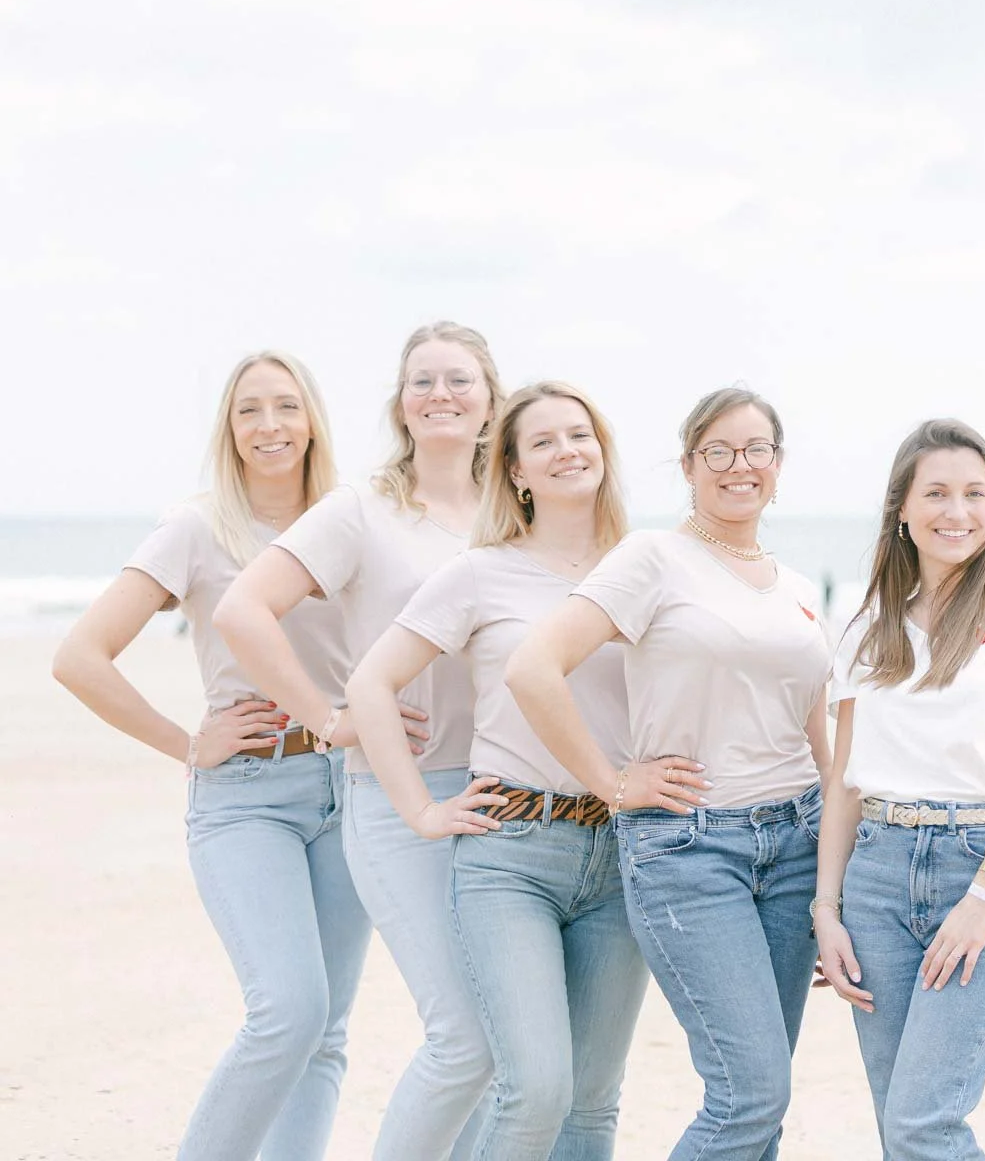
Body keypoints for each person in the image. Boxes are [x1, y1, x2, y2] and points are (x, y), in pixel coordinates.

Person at [53, 351, 370, 1161]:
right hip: (248, 794)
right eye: (249, 411)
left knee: (326, 1032)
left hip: (350, 790)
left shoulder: (350, 516)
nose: (271, 427)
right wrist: (189, 746)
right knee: (288, 1011)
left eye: (287, 407)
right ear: (228, 431)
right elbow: (81, 656)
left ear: (313, 420)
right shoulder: (197, 526)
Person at [507, 387, 831, 1161]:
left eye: (757, 450)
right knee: (748, 1094)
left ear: (778, 467)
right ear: (688, 466)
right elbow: (533, 669)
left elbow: (822, 734)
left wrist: (837, 878)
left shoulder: (792, 587)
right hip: (691, 851)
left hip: (796, 845)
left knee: (763, 1093)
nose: (738, 466)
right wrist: (613, 784)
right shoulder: (653, 558)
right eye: (717, 451)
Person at [217, 322, 503, 1161]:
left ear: (492, 399)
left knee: (503, 1046)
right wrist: (328, 715)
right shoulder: (363, 509)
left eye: (459, 380)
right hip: (396, 796)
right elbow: (242, 610)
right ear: (400, 404)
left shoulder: (512, 507)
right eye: (422, 382)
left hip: (507, 799)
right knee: (466, 1039)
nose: (440, 396)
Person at [346, 381, 647, 1160]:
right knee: (535, 1087)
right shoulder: (479, 573)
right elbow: (370, 685)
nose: (567, 451)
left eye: (580, 434)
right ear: (514, 471)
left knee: (591, 1102)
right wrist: (419, 811)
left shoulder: (647, 566)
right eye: (542, 442)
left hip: (622, 854)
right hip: (511, 853)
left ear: (603, 449)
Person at [812, 418, 985, 1160]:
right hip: (875, 877)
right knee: (897, 1113)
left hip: (984, 865)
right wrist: (825, 910)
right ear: (901, 508)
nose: (956, 512)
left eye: (974, 494)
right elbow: (843, 783)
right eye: (936, 493)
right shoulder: (867, 627)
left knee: (924, 1123)